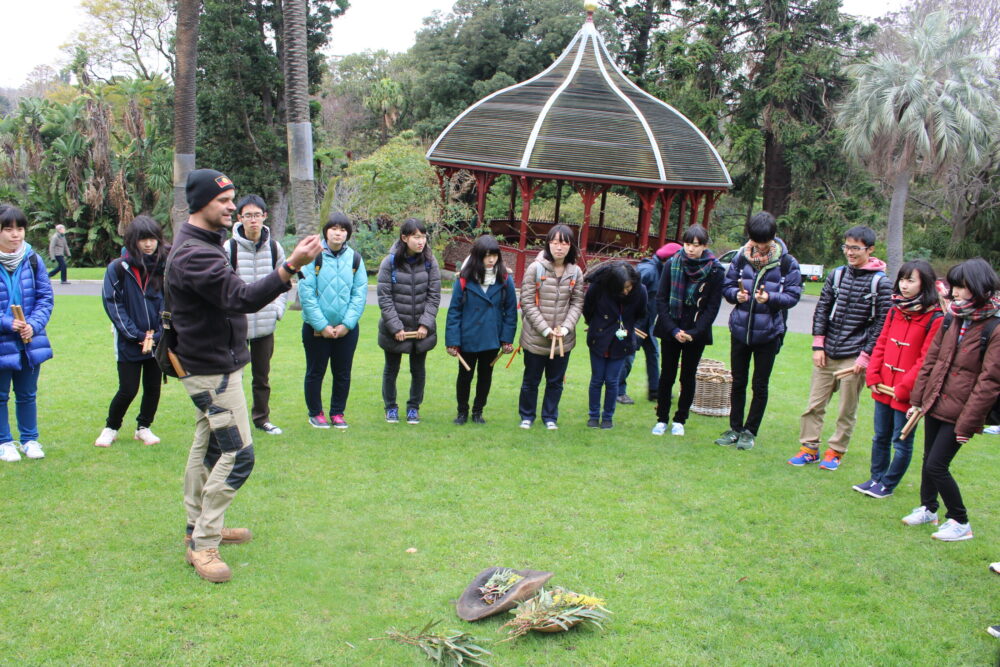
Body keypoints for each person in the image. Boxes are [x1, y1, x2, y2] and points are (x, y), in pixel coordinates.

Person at [168, 168, 321, 582]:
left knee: (209, 450)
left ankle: (198, 528)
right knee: (239, 455)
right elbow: (243, 298)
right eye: (224, 200)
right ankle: (203, 544)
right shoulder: (195, 253)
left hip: (214, 365)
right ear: (201, 203)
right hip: (211, 371)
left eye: (233, 198)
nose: (233, 207)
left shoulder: (205, 243)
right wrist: (291, 265)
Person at [901, 258, 999, 542]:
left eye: (960, 286)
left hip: (962, 410)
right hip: (935, 401)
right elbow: (932, 360)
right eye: (953, 285)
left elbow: (990, 382)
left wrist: (969, 423)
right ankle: (928, 508)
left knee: (937, 465)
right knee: (928, 458)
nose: (953, 292)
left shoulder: (995, 327)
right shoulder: (953, 317)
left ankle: (960, 520)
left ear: (978, 287)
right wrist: (918, 399)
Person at [787, 225, 892, 470]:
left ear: (870, 249)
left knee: (847, 409)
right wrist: (818, 345)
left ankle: (836, 451)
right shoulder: (837, 275)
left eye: (856, 248)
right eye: (847, 247)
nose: (850, 252)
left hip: (855, 357)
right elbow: (823, 308)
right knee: (814, 404)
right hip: (828, 351)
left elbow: (881, 324)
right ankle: (809, 448)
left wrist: (864, 357)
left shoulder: (880, 283)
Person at [852, 260, 943, 498]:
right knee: (879, 435)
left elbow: (926, 359)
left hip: (906, 392)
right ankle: (876, 477)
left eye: (910, 280)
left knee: (900, 440)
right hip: (884, 385)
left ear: (925, 284)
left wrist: (905, 387)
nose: (904, 285)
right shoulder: (895, 309)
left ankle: (888, 484)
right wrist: (873, 372)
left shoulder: (935, 317)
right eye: (902, 279)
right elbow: (882, 342)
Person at [716, 212, 802, 451]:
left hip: (769, 333)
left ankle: (750, 431)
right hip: (740, 330)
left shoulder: (786, 262)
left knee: (759, 385)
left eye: (763, 243)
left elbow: (793, 295)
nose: (759, 247)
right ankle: (734, 428)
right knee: (738, 381)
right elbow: (727, 286)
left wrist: (770, 298)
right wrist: (736, 295)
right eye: (755, 241)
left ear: (772, 238)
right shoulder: (741, 258)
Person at [95, 216, 167, 448]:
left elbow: (170, 302)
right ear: (132, 241)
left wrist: (159, 333)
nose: (148, 244)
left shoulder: (163, 267)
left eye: (153, 239)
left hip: (157, 340)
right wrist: (136, 335)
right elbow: (113, 304)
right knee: (128, 389)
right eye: (143, 239)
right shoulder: (118, 268)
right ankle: (111, 427)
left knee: (153, 388)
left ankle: (144, 427)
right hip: (129, 341)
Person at [222, 195, 287, 436]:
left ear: (264, 216)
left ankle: (261, 418)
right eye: (248, 215)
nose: (253, 220)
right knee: (233, 377)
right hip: (237, 326)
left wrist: (277, 310)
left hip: (265, 325)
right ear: (239, 218)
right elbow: (223, 285)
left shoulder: (274, 247)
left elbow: (285, 280)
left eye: (257, 215)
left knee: (262, 377)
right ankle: (233, 422)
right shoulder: (230, 248)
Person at [651, 224, 724, 436]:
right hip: (670, 327)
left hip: (696, 331)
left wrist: (694, 332)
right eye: (687, 244)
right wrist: (673, 330)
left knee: (688, 375)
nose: (690, 249)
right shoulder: (672, 264)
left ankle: (680, 419)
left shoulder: (715, 270)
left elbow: (712, 307)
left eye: (695, 245)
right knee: (667, 374)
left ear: (704, 246)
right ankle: (662, 418)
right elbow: (661, 299)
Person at [299, 212, 366, 429]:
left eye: (343, 229)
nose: (338, 233)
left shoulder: (355, 258)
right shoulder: (314, 256)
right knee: (315, 371)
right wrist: (322, 326)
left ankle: (337, 413)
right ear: (326, 231)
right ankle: (315, 413)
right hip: (316, 329)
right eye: (334, 228)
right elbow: (306, 294)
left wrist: (347, 324)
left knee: (342, 372)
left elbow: (360, 293)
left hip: (346, 330)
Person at [518, 224, 585, 430]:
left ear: (571, 246)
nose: (559, 247)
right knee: (531, 380)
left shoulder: (575, 272)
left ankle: (550, 417)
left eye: (564, 243)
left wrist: (566, 328)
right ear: (548, 244)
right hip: (536, 338)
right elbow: (527, 302)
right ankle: (527, 416)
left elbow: (577, 302)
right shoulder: (535, 268)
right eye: (555, 242)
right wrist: (545, 329)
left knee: (555, 382)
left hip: (563, 340)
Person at [0, 205, 54, 463]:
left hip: (29, 340)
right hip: (3, 339)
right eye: (8, 229)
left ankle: (30, 439)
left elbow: (45, 298)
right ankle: (4, 442)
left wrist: (33, 323)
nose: (15, 234)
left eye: (19, 228)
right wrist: (6, 323)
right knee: (0, 395)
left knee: (27, 393)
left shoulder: (33, 259)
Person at [445, 235, 517, 424]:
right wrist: (452, 341)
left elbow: (511, 312)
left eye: (494, 255)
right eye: (486, 255)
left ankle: (478, 411)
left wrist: (507, 340)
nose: (491, 259)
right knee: (464, 376)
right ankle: (462, 412)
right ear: (478, 256)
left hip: (491, 338)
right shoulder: (463, 280)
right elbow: (454, 312)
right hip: (467, 337)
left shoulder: (505, 280)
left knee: (485, 376)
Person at [377, 218, 441, 425]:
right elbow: (384, 298)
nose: (420, 241)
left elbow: (434, 296)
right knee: (391, 369)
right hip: (394, 328)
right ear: (404, 238)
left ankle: (414, 407)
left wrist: (425, 324)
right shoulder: (390, 262)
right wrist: (396, 327)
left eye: (423, 236)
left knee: (418, 370)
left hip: (421, 330)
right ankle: (390, 407)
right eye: (416, 237)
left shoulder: (431, 262)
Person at [583, 260, 647, 429]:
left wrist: (629, 329)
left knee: (612, 381)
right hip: (599, 338)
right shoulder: (599, 287)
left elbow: (642, 314)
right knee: (597, 379)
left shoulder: (639, 290)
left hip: (622, 341)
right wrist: (597, 326)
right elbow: (588, 309)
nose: (627, 291)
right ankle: (593, 416)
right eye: (623, 288)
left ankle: (608, 418)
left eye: (629, 287)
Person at [617, 242, 678, 405]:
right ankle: (618, 391)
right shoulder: (648, 271)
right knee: (627, 356)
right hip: (635, 323)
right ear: (668, 259)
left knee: (653, 352)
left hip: (649, 322)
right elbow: (626, 294)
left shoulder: (662, 271)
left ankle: (655, 390)